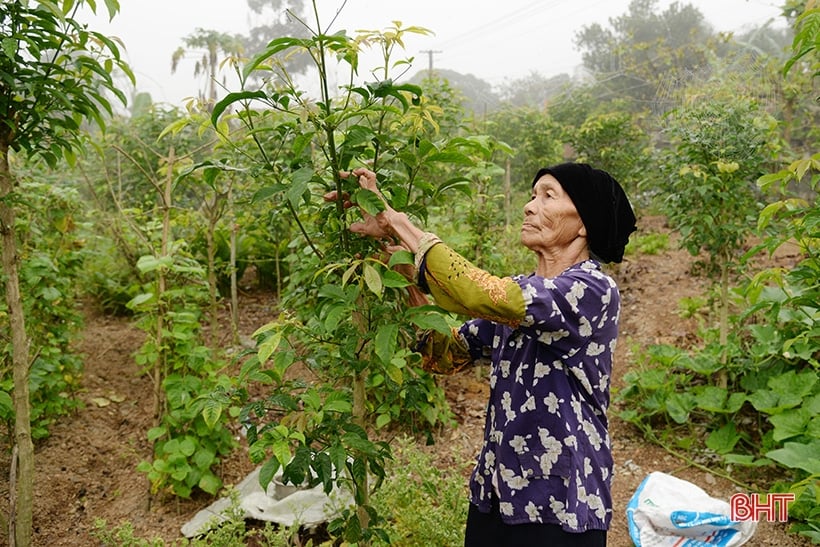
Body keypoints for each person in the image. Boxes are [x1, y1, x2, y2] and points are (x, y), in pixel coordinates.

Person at [336, 162, 636, 547]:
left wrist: (397, 221)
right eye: (531, 196)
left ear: (584, 225)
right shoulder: (520, 293)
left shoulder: (593, 289)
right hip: (497, 491)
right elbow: (444, 353)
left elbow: (481, 294)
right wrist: (397, 270)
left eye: (548, 196)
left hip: (560, 500)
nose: (529, 206)